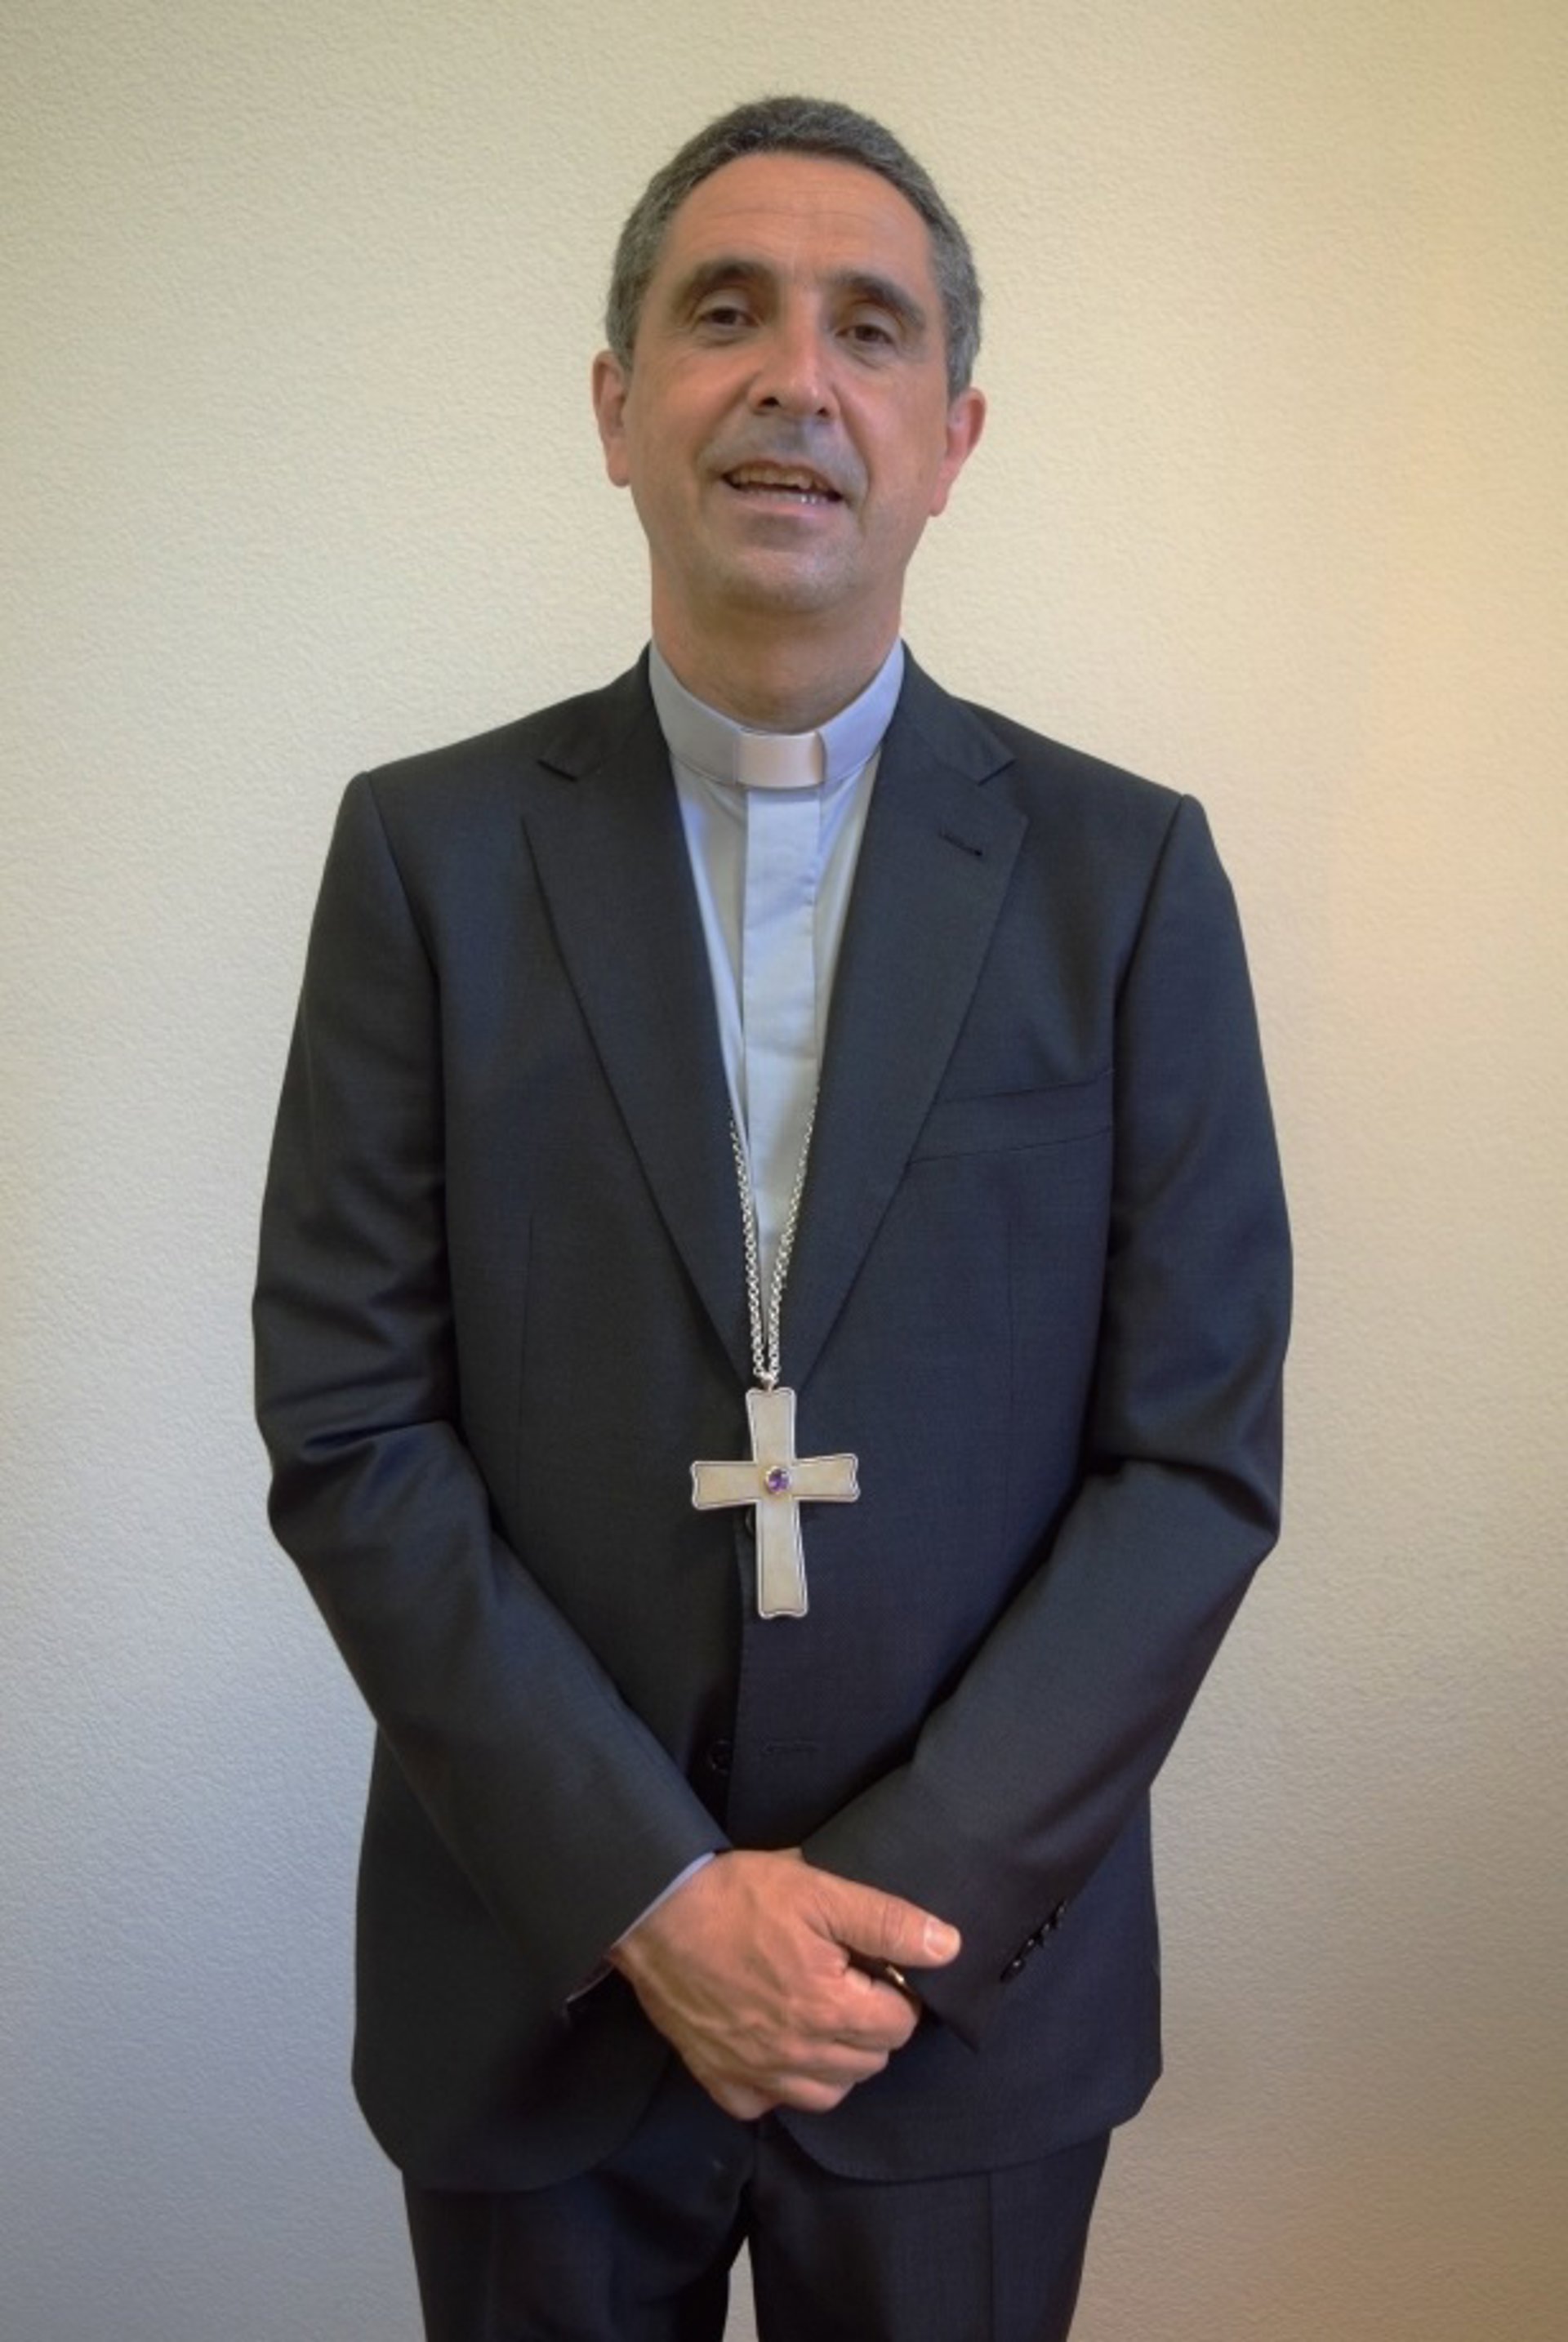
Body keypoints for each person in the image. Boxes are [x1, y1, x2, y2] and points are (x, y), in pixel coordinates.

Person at [254, 93, 1290, 2342]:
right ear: (617, 407)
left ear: (953, 437)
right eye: (724, 314)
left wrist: (876, 1913)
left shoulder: (1124, 879)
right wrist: (654, 1892)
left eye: (870, 328)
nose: (796, 378)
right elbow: (349, 1425)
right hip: (538, 1973)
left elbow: (1194, 1461)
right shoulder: (427, 860)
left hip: (959, 2000)